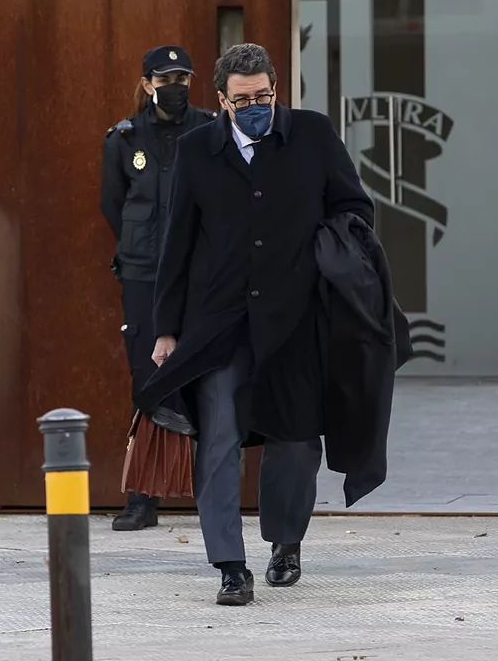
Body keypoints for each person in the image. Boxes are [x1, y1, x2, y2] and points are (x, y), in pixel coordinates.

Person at [137, 42, 377, 606]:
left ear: (276, 90)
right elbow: (177, 241)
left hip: (296, 318)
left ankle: (285, 544)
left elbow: (355, 209)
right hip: (220, 322)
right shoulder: (198, 150)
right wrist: (166, 329)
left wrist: (327, 254)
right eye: (242, 99)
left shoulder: (313, 135)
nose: (254, 107)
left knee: (296, 441)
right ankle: (229, 565)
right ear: (222, 100)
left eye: (263, 96)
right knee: (219, 439)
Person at [99, 45, 215, 532]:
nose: (175, 87)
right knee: (147, 377)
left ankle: (212, 495)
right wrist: (141, 249)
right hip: (144, 274)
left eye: (182, 78)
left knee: (208, 376)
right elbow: (113, 204)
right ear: (148, 84)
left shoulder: (209, 130)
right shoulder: (125, 138)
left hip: (200, 273)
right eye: (165, 79)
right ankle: (142, 500)